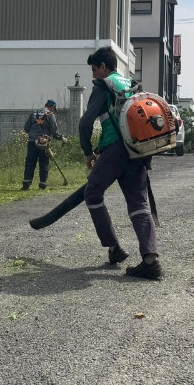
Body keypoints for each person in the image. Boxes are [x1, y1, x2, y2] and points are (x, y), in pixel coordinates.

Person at [78, 48, 162, 280]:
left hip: (114, 149)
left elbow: (85, 123)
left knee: (92, 193)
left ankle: (114, 247)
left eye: (94, 69)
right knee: (139, 203)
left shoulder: (103, 86)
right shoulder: (132, 85)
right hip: (136, 149)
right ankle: (150, 261)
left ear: (104, 67)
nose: (93, 75)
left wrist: (88, 152)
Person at [22, 99, 65, 190]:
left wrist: (34, 134)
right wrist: (62, 138)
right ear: (52, 107)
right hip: (44, 143)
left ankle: (26, 183)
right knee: (44, 163)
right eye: (53, 109)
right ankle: (42, 184)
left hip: (32, 142)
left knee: (30, 163)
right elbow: (54, 132)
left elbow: (26, 128)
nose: (53, 111)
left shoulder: (34, 113)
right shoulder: (50, 115)